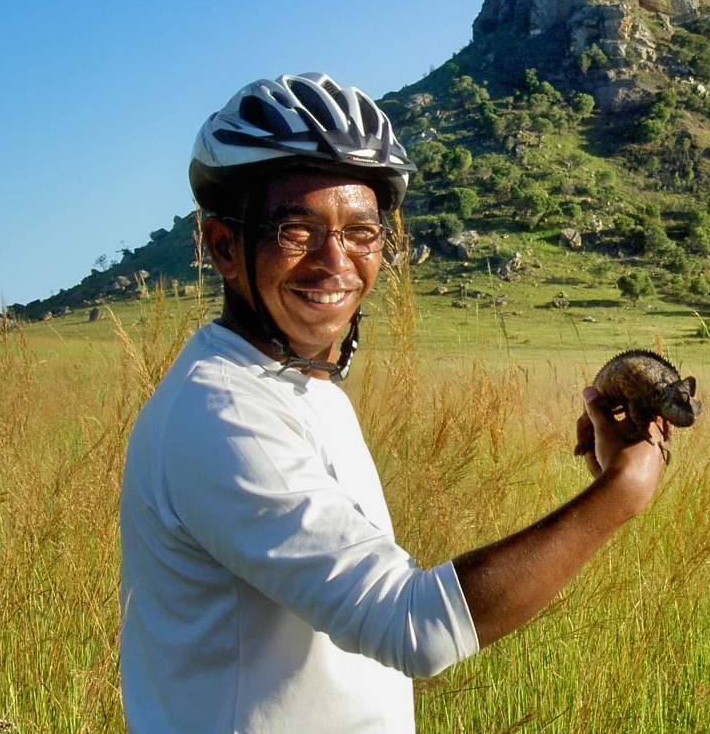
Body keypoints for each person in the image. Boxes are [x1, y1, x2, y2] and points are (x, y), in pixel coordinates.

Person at [119, 73, 671, 733]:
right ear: (224, 247)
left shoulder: (300, 386)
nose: (336, 262)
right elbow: (416, 627)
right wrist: (621, 492)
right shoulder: (222, 414)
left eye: (362, 231)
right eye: (297, 230)